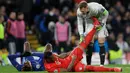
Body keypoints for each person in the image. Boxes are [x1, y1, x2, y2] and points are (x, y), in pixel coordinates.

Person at [43, 23, 122, 72]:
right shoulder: (51, 68)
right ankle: (113, 69)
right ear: (49, 60)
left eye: (53, 55)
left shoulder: (50, 55)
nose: (54, 57)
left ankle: (95, 27)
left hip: (71, 58)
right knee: (87, 68)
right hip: (72, 64)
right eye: (53, 57)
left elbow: (61, 56)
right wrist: (73, 60)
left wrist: (69, 53)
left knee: (83, 44)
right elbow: (67, 71)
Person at [77, 1, 109, 66]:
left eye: (83, 11)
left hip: (100, 20)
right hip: (89, 22)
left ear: (86, 8)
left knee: (101, 40)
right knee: (89, 41)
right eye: (81, 11)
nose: (82, 13)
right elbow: (80, 23)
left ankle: (101, 65)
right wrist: (81, 35)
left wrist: (101, 24)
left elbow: (106, 13)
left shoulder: (96, 8)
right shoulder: (79, 12)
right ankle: (88, 65)